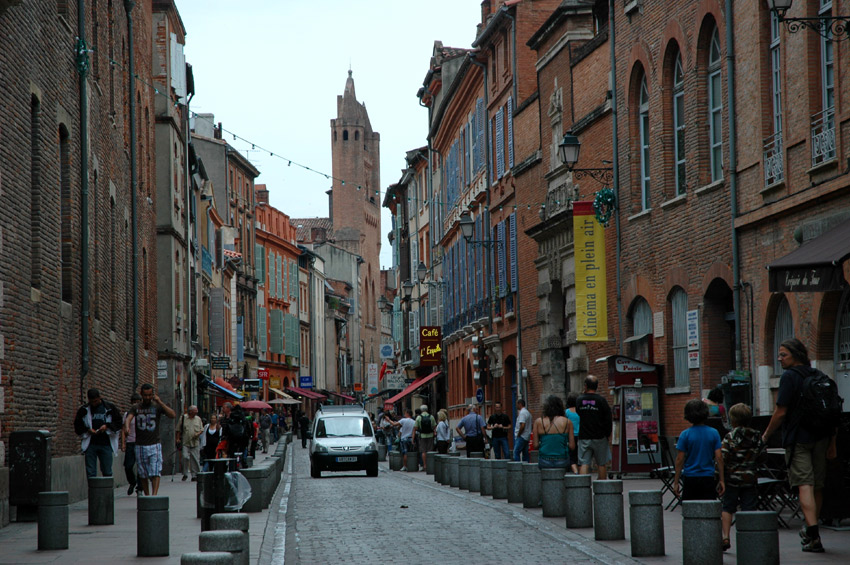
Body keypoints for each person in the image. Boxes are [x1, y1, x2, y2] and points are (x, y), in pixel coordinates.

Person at [762, 338, 839, 553]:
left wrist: (766, 435)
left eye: (783, 354)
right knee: (817, 485)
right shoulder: (819, 376)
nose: (779, 359)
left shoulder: (789, 377)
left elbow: (781, 412)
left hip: (799, 439)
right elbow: (834, 412)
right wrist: (833, 443)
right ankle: (810, 527)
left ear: (795, 355)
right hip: (822, 438)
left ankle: (812, 532)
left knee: (804, 483)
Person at [720, 403, 766, 552]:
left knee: (727, 507)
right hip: (750, 478)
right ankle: (749, 538)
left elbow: (723, 457)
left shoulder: (730, 436)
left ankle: (725, 536)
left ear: (733, 420)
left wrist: (719, 476)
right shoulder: (757, 436)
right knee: (749, 508)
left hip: (732, 479)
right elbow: (762, 456)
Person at [124, 383, 176, 495]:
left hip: (154, 444)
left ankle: (154, 495)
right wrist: (127, 427)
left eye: (149, 395)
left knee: (155, 471)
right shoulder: (136, 407)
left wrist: (160, 402)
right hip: (140, 445)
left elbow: (172, 415)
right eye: (145, 395)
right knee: (142, 473)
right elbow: (128, 418)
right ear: (141, 394)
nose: (147, 398)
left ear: (153, 394)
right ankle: (147, 495)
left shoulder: (157, 406)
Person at [673, 399, 725, 501]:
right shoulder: (714, 433)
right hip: (708, 477)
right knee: (709, 510)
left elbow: (680, 459)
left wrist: (676, 482)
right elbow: (719, 457)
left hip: (690, 477)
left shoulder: (685, 434)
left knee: (690, 511)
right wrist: (722, 480)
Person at [74, 388, 123, 479]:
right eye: (91, 402)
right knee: (90, 472)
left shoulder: (109, 408)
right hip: (90, 444)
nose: (94, 404)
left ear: (100, 398)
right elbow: (77, 425)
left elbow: (119, 422)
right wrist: (88, 430)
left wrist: (107, 426)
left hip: (106, 443)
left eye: (96, 401)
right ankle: (93, 491)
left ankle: (107, 491)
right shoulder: (84, 410)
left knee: (107, 471)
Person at [576, 375, 613, 479]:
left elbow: (579, 413)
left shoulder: (579, 400)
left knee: (584, 463)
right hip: (600, 436)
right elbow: (608, 418)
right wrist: (607, 434)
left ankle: (581, 488)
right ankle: (601, 487)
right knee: (601, 464)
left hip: (584, 436)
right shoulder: (601, 400)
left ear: (586, 386)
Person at [533, 395, 575, 470]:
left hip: (544, 460)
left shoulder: (538, 422)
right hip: (562, 459)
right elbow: (572, 446)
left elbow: (535, 445)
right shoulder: (567, 422)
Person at [120, 392, 142, 495]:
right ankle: (132, 482)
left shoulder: (143, 414)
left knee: (141, 466)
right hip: (130, 443)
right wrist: (123, 443)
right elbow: (124, 429)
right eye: (134, 402)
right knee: (128, 466)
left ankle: (140, 487)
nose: (135, 404)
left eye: (137, 402)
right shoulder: (127, 415)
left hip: (141, 443)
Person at [176, 405, 204, 481]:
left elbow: (202, 429)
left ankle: (194, 475)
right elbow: (178, 429)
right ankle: (185, 473)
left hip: (195, 442)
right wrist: (178, 439)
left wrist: (198, 434)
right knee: (185, 457)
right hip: (185, 442)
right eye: (195, 410)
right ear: (190, 411)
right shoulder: (183, 418)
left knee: (195, 458)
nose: (197, 412)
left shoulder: (198, 419)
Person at [414, 405, 437, 471]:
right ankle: (430, 464)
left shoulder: (419, 417)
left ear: (421, 410)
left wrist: (420, 430)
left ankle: (425, 465)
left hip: (422, 436)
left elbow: (415, 427)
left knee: (423, 451)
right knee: (430, 450)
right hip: (430, 435)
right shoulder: (431, 417)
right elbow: (434, 426)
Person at [565, 393, 581, 474]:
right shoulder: (580, 411)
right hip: (580, 436)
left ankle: (575, 471)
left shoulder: (567, 412)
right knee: (579, 454)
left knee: (571, 455)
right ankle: (579, 469)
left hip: (570, 436)